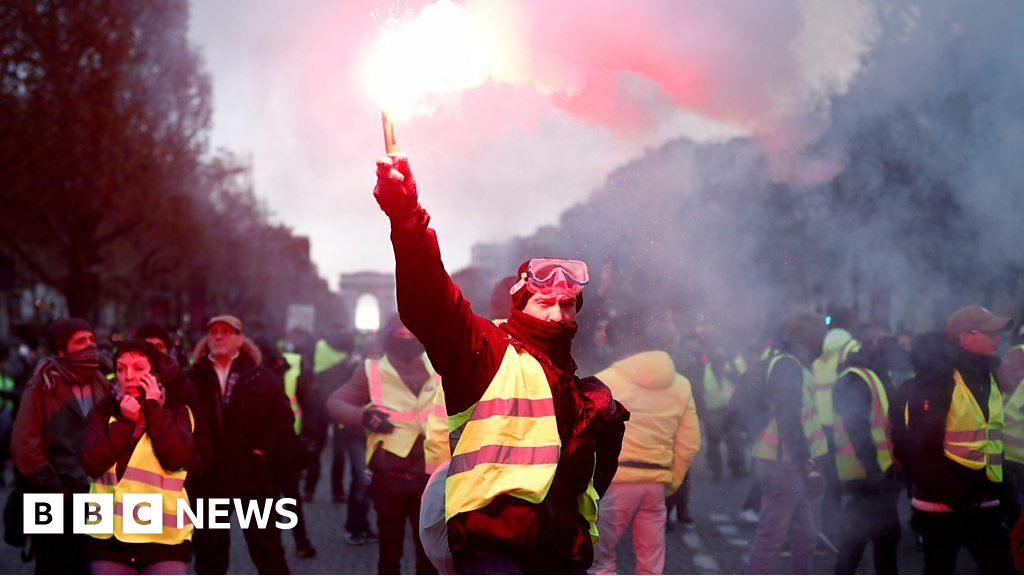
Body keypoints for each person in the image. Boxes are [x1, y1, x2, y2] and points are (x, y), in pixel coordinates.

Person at [372, 152, 629, 574]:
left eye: (568, 305)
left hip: (561, 552)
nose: (558, 315)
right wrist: (406, 217)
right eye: (545, 302)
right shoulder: (485, 350)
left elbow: (588, 484)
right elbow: (430, 301)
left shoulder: (580, 388)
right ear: (520, 305)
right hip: (495, 549)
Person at [895, 305, 1014, 574]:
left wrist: (1008, 496)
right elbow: (922, 450)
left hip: (982, 504)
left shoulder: (988, 376)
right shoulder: (937, 379)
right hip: (942, 508)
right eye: (990, 333)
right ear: (964, 336)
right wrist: (960, 501)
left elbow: (991, 443)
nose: (998, 339)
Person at [328, 315, 448, 574]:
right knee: (390, 551)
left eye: (410, 333)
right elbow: (335, 402)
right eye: (400, 333)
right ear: (387, 336)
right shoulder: (370, 371)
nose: (406, 338)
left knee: (429, 555)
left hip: (432, 474)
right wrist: (363, 416)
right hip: (390, 474)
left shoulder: (440, 366)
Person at [187, 315, 293, 575]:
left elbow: (283, 418)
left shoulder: (261, 377)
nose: (219, 336)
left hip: (252, 474)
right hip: (209, 476)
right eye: (213, 332)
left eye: (226, 331)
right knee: (209, 553)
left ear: (240, 339)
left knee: (267, 549)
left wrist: (263, 451)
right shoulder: (191, 377)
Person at [80, 340, 195, 574]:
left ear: (155, 374)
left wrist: (153, 409)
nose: (128, 376)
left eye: (139, 368)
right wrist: (125, 422)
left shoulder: (177, 412)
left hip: (163, 539)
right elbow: (91, 463)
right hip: (109, 539)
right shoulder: (102, 412)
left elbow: (176, 457)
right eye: (121, 368)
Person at [12, 317, 111, 574]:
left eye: (91, 339)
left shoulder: (100, 381)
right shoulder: (43, 386)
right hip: (54, 496)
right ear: (61, 350)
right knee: (54, 564)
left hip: (95, 495)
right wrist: (55, 487)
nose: (90, 346)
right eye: (81, 341)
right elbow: (24, 445)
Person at [589, 347, 700, 574]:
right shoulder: (681, 385)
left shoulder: (605, 380)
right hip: (655, 482)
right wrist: (670, 483)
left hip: (616, 480)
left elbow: (587, 436)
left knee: (601, 560)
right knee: (651, 563)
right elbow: (689, 443)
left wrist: (592, 483)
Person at [745, 313, 829, 575]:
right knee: (771, 537)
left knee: (806, 536)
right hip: (782, 464)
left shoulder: (793, 364)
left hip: (787, 463)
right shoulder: (788, 366)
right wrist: (806, 464)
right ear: (810, 338)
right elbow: (789, 418)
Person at [831, 327, 901, 574]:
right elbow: (857, 428)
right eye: (887, 345)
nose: (893, 351)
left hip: (879, 472)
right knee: (883, 536)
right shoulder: (855, 378)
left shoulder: (876, 374)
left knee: (863, 536)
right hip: (868, 474)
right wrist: (875, 471)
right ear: (871, 346)